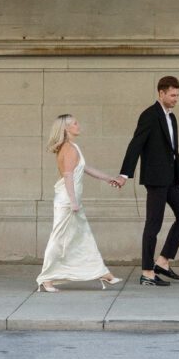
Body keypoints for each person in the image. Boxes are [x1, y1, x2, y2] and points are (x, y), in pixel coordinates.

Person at [116, 75, 179, 286]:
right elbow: (136, 144)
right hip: (155, 179)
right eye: (172, 95)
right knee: (154, 224)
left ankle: (162, 261)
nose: (176, 98)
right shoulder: (149, 115)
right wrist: (124, 174)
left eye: (178, 95)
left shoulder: (172, 117)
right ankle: (147, 272)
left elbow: (173, 152)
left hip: (171, 179)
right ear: (161, 93)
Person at [37, 114, 124, 293]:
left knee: (83, 237)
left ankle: (102, 272)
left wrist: (109, 179)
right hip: (67, 201)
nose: (78, 125)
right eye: (75, 123)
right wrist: (73, 202)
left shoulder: (73, 147)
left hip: (70, 200)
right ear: (67, 129)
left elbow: (85, 168)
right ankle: (46, 278)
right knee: (59, 239)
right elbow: (68, 176)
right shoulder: (68, 148)